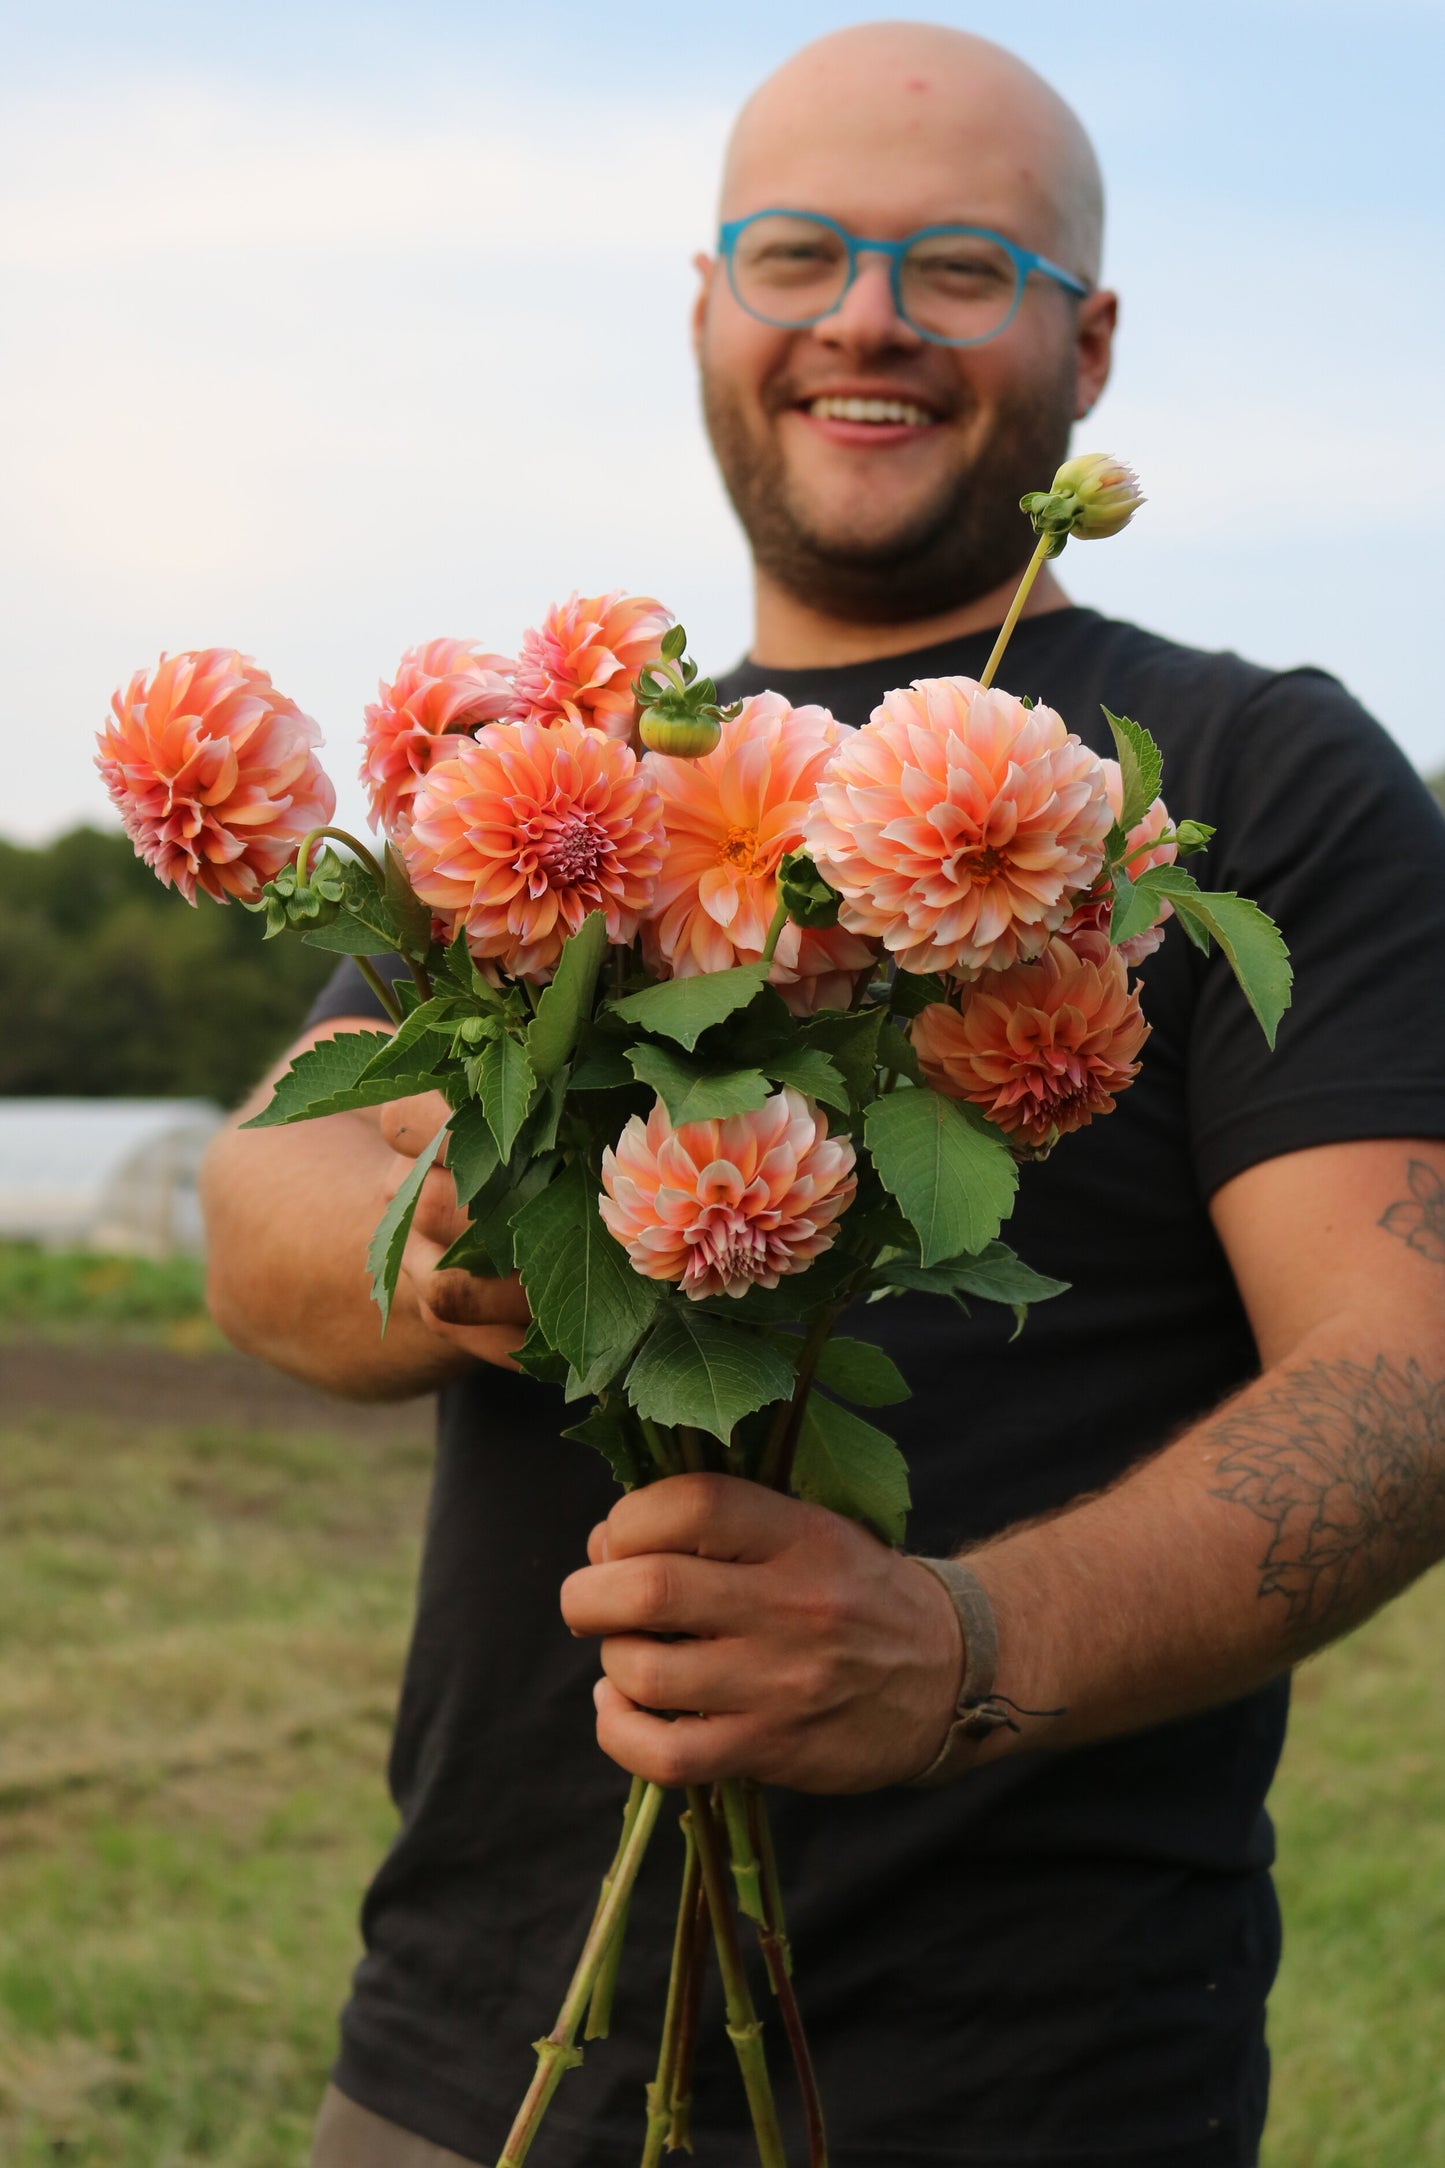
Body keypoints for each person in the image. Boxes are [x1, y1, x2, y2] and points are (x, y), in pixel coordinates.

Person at [202, 22, 1445, 2168]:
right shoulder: (583, 771)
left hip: (1036, 2079)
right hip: (476, 2055)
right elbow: (267, 1204)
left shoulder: (1248, 776)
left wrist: (962, 1643)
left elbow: (1411, 1367)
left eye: (962, 264)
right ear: (708, 304)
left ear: (1093, 340)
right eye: (800, 252)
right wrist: (512, 1229)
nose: (866, 314)